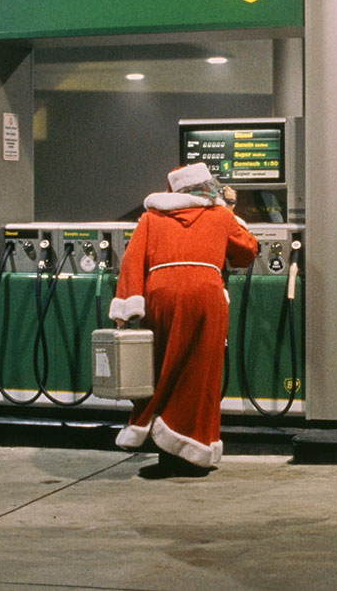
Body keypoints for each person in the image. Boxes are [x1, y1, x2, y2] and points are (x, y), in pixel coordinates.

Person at [109, 163, 259, 476]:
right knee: (202, 372)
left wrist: (126, 307)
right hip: (206, 294)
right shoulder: (220, 215)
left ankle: (160, 442)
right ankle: (193, 450)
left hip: (159, 294)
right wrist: (233, 216)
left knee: (163, 368)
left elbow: (132, 260)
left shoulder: (151, 217)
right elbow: (247, 251)